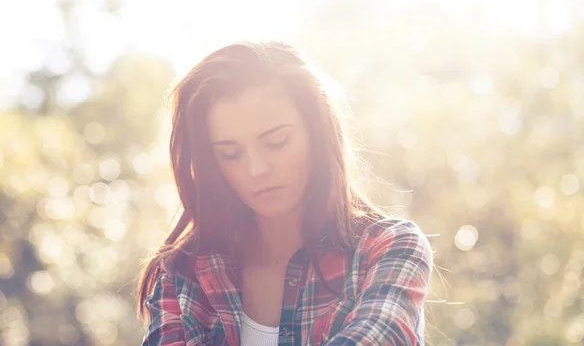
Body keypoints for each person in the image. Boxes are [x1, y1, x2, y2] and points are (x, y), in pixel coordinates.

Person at [136, 40, 433, 346]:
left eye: (276, 142)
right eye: (230, 154)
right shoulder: (182, 274)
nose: (256, 169)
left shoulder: (389, 249)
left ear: (316, 131)